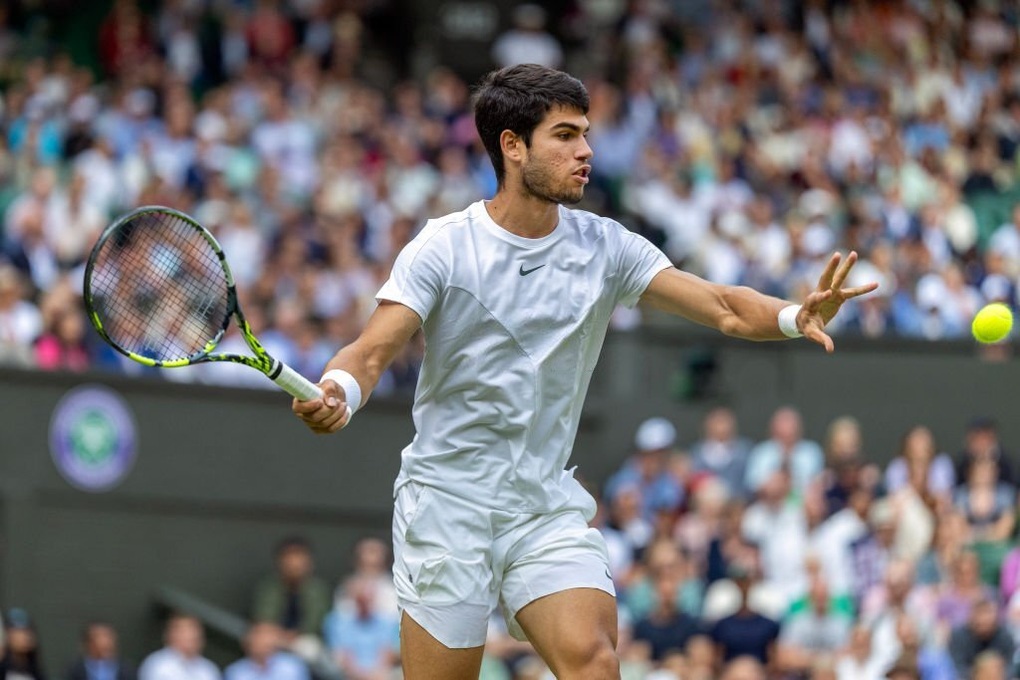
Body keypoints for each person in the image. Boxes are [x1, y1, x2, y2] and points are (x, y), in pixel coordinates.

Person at [292, 63, 875, 680]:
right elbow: (371, 351)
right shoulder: (444, 246)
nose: (586, 150)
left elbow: (724, 308)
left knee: (595, 662)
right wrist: (341, 390)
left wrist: (792, 314)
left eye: (585, 134)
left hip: (542, 507)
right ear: (513, 147)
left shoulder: (605, 246)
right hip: (446, 507)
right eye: (565, 135)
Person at [250, 537, 330, 652]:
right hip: (275, 637)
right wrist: (278, 635)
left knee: (309, 649)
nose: (293, 563)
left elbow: (316, 624)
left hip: (306, 640)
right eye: (289, 557)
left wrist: (294, 635)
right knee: (260, 640)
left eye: (299, 557)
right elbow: (263, 619)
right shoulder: (269, 587)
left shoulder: (317, 590)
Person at [138, 614, 220, 680]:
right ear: (172, 635)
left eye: (195, 633)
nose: (191, 636)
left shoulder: (209, 669)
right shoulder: (157, 664)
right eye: (185, 632)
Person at [223, 623, 308, 680]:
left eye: (266, 640)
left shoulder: (292, 665)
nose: (263, 644)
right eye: (258, 640)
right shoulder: (235, 672)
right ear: (247, 645)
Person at [66, 622, 138, 680]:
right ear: (87, 643)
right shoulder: (74, 670)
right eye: (98, 637)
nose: (105, 642)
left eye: (108, 637)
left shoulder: (127, 670)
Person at [0, 608, 45, 680]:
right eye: (18, 632)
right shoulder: (3, 670)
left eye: (26, 631)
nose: (24, 637)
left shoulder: (35, 671)